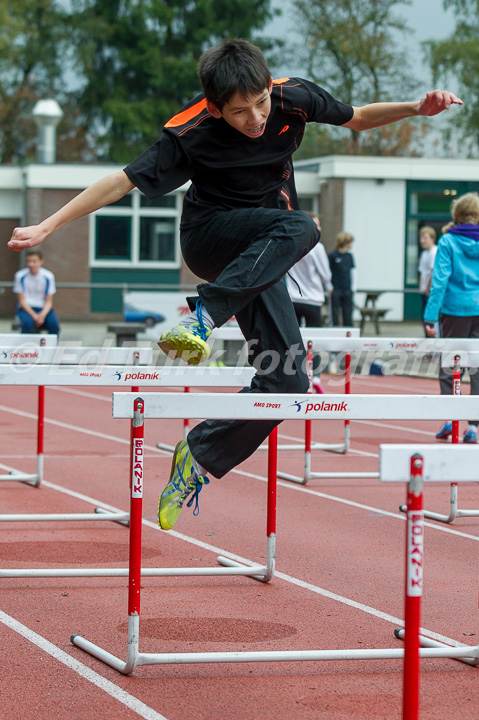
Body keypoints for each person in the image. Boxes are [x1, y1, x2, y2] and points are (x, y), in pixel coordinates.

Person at [7, 38, 462, 529]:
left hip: (260, 251)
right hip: (209, 239)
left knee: (288, 382)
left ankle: (197, 457)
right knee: (302, 227)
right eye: (240, 112)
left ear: (270, 86)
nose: (256, 119)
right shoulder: (191, 131)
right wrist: (46, 227)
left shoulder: (293, 97)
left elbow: (357, 117)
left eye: (261, 102)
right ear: (215, 107)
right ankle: (202, 317)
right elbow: (120, 183)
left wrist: (417, 108)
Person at [423, 192, 479, 444]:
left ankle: (449, 418)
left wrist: (429, 317)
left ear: (456, 216)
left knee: (450, 362)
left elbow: (440, 281)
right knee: (477, 367)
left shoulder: (448, 241)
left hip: (454, 310)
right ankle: (474, 427)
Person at [286, 214, 331, 393]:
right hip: (312, 299)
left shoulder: (293, 243)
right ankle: (316, 376)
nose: (318, 229)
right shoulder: (317, 247)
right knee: (315, 340)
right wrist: (328, 285)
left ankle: (296, 376)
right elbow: (326, 275)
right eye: (316, 225)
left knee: (294, 339)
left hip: (294, 297)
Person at [13, 249, 60, 335]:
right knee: (27, 324)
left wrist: (42, 315)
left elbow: (49, 302)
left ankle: (52, 347)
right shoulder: (20, 276)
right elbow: (22, 301)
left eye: (34, 261)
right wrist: (34, 316)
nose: (31, 264)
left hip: (43, 309)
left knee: (54, 325)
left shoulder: (48, 276)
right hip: (26, 310)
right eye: (28, 261)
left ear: (41, 261)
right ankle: (28, 347)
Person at [328, 232, 356, 327]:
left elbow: (353, 272)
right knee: (335, 314)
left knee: (348, 314)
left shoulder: (349, 256)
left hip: (347, 289)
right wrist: (329, 287)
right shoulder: (333, 255)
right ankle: (334, 332)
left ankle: (349, 335)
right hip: (336, 290)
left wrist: (353, 288)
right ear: (345, 242)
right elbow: (328, 272)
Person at [418, 225, 438, 338]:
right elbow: (422, 272)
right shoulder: (424, 253)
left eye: (425, 238)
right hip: (424, 291)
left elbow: (433, 271)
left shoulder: (434, 252)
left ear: (432, 238)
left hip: (430, 292)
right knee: (424, 318)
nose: (422, 241)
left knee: (430, 320)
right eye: (421, 238)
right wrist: (421, 288)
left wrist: (428, 288)